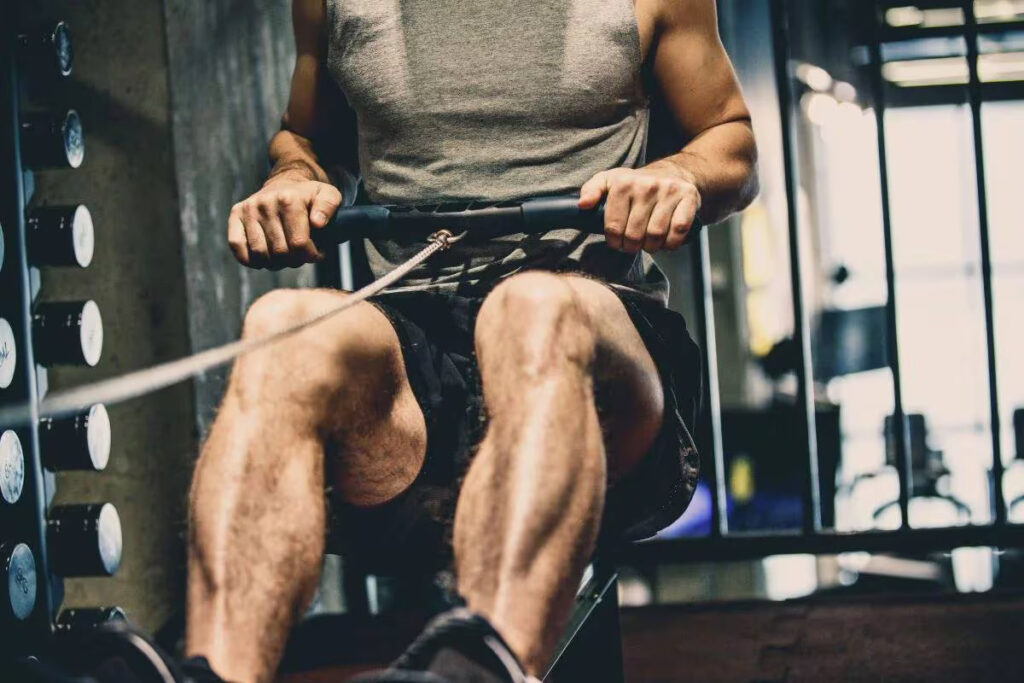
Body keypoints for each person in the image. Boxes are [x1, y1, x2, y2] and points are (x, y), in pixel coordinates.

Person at [184, 0, 757, 681]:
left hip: (594, 345)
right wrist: (293, 180)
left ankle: (481, 670)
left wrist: (681, 175)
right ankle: (214, 670)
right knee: (282, 327)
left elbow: (730, 138)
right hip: (417, 372)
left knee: (531, 306)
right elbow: (303, 138)